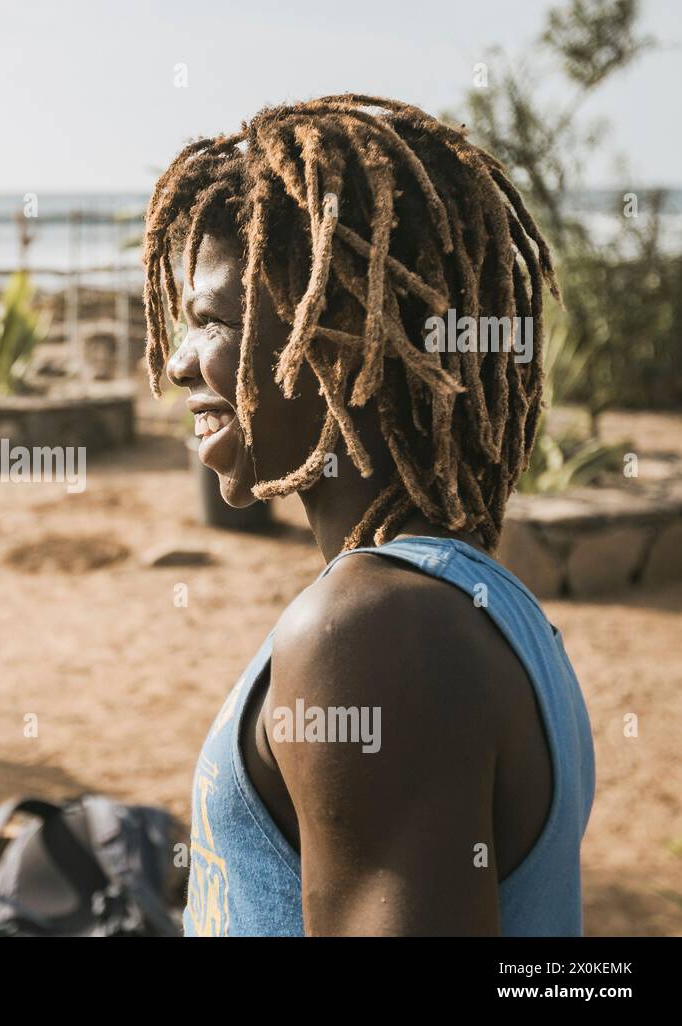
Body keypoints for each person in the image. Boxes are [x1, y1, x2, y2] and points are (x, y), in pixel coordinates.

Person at [144, 95, 595, 936]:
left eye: (210, 320)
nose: (174, 364)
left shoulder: (373, 636)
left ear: (337, 333)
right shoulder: (474, 604)